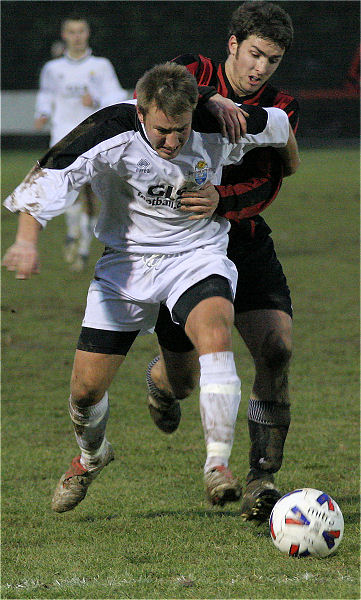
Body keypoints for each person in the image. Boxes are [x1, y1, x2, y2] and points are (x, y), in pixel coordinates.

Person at [3, 62, 297, 513]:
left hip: (196, 256)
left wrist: (291, 160)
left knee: (216, 340)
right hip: (126, 266)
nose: (173, 141)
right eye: (162, 130)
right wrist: (26, 241)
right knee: (84, 392)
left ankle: (217, 465)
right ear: (141, 112)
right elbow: (50, 172)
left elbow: (279, 126)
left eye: (181, 131)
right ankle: (92, 456)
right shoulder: (109, 127)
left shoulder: (218, 119)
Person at [145, 1, 300, 522]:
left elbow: (272, 178)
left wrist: (223, 200)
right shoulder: (198, 72)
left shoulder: (281, 106)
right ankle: (163, 381)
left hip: (243, 235)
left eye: (272, 60)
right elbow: (168, 82)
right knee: (184, 380)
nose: (261, 68)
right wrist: (213, 100)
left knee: (276, 349)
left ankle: (262, 478)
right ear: (233, 44)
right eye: (255, 53)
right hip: (185, 246)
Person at [34, 16, 128, 271]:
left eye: (81, 31)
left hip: (92, 138)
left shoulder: (101, 66)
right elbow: (46, 94)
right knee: (67, 192)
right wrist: (41, 113)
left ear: (87, 33)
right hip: (62, 137)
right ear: (64, 35)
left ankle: (84, 246)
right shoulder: (53, 69)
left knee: (91, 193)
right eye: (72, 32)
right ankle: (74, 232)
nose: (77, 36)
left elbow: (116, 95)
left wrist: (96, 98)